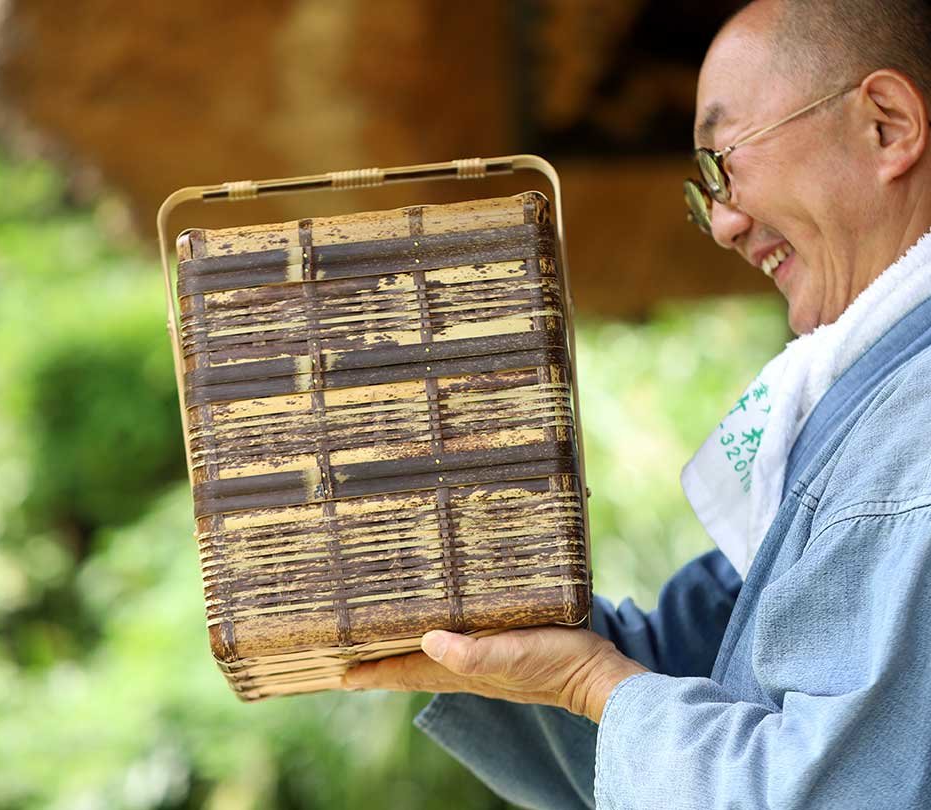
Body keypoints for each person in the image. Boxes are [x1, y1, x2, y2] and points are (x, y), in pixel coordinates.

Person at [340, 0, 931, 807]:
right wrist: (441, 589)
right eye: (704, 189)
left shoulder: (915, 427)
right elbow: (699, 656)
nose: (721, 224)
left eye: (725, 162)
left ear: (888, 127)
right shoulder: (862, 404)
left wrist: (593, 684)